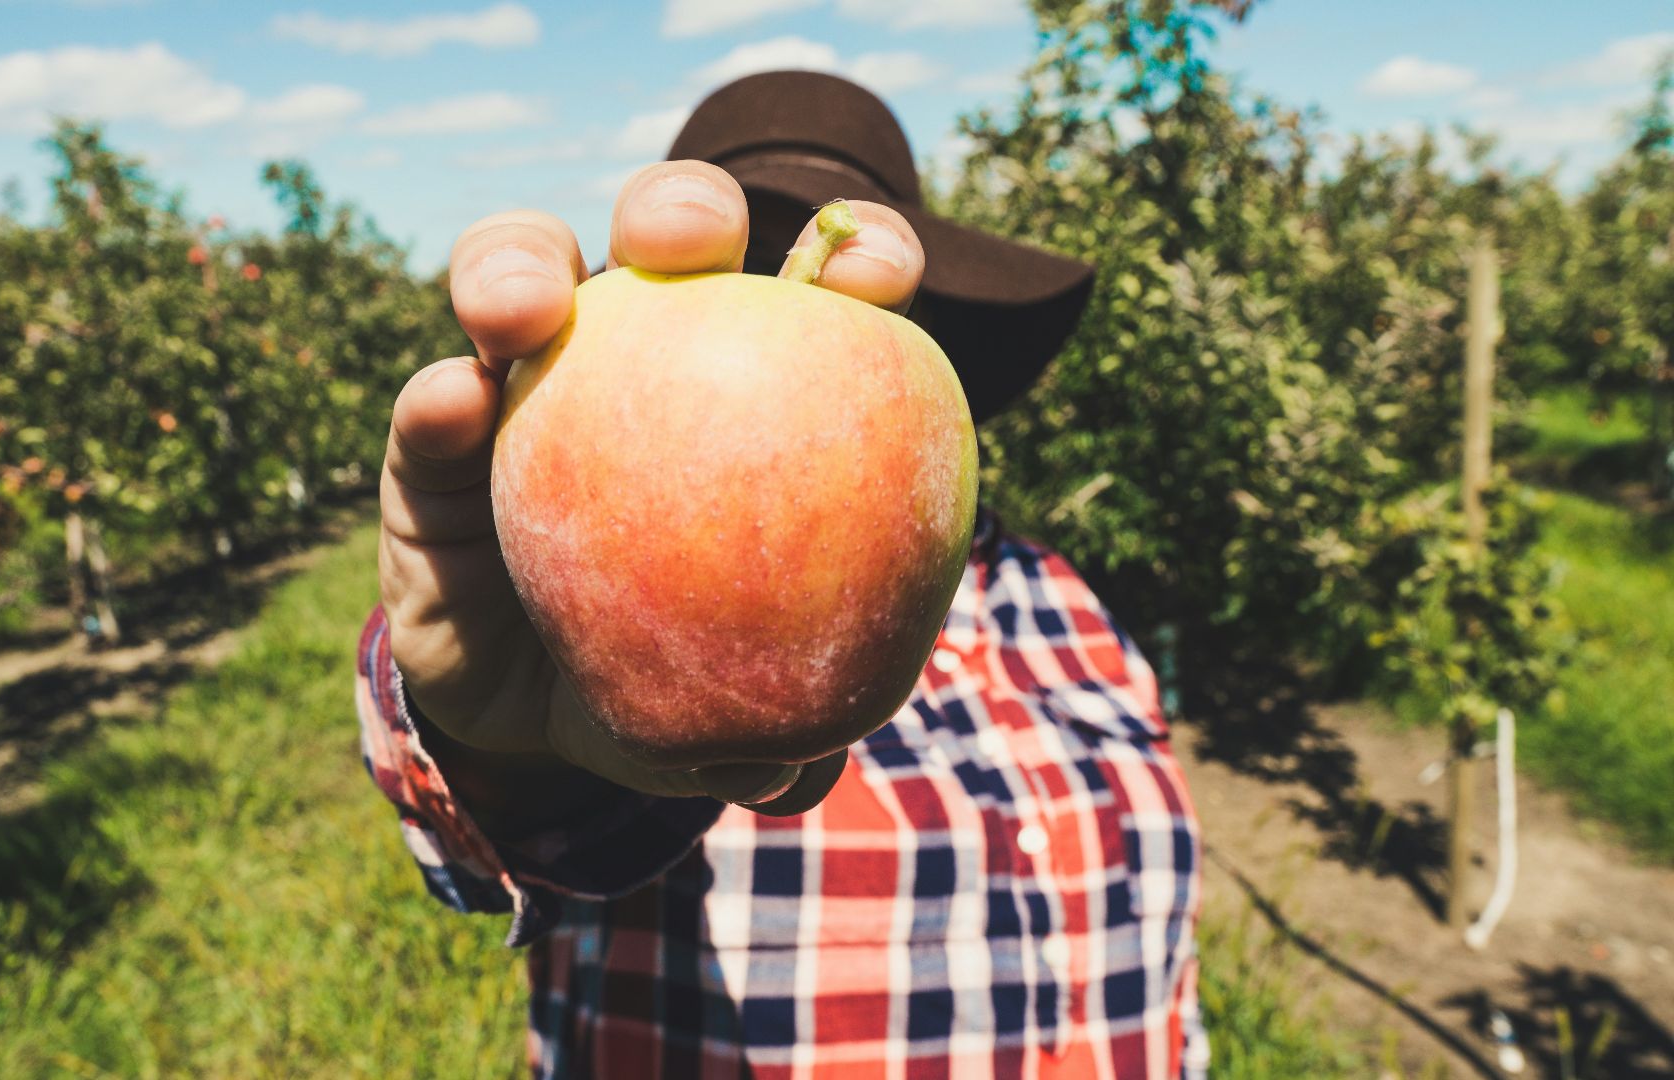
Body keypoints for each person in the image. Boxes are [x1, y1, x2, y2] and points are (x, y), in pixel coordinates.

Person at [359, 71, 1205, 1079]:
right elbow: (558, 831)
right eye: (749, 265)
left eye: (799, 266)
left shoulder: (1062, 602)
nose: (780, 297)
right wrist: (503, 744)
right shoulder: (614, 632)